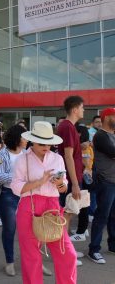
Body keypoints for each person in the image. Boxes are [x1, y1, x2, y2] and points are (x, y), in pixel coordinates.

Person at [11, 121, 77, 284]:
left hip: (53, 206)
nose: (46, 147)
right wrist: (40, 182)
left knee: (67, 254)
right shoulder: (23, 159)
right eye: (42, 143)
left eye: (49, 143)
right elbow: (15, 187)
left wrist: (60, 183)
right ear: (32, 140)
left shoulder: (57, 158)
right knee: (31, 256)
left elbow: (64, 187)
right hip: (29, 206)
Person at [0, 124, 27, 276]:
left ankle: (33, 261)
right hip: (7, 195)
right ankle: (10, 261)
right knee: (10, 228)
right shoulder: (1, 154)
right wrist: (18, 179)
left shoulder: (27, 153)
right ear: (17, 138)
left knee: (29, 230)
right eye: (24, 137)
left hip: (26, 194)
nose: (27, 140)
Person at [88, 108, 115, 264]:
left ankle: (112, 245)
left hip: (113, 181)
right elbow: (113, 152)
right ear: (107, 118)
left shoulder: (112, 135)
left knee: (113, 216)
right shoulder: (100, 136)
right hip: (106, 182)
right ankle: (94, 250)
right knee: (102, 216)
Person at [56, 96, 85, 242]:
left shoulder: (67, 126)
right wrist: (74, 184)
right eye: (82, 107)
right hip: (70, 178)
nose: (83, 110)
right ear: (75, 110)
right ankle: (64, 252)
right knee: (67, 213)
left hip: (70, 176)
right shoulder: (67, 127)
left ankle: (64, 250)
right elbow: (68, 156)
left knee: (67, 213)